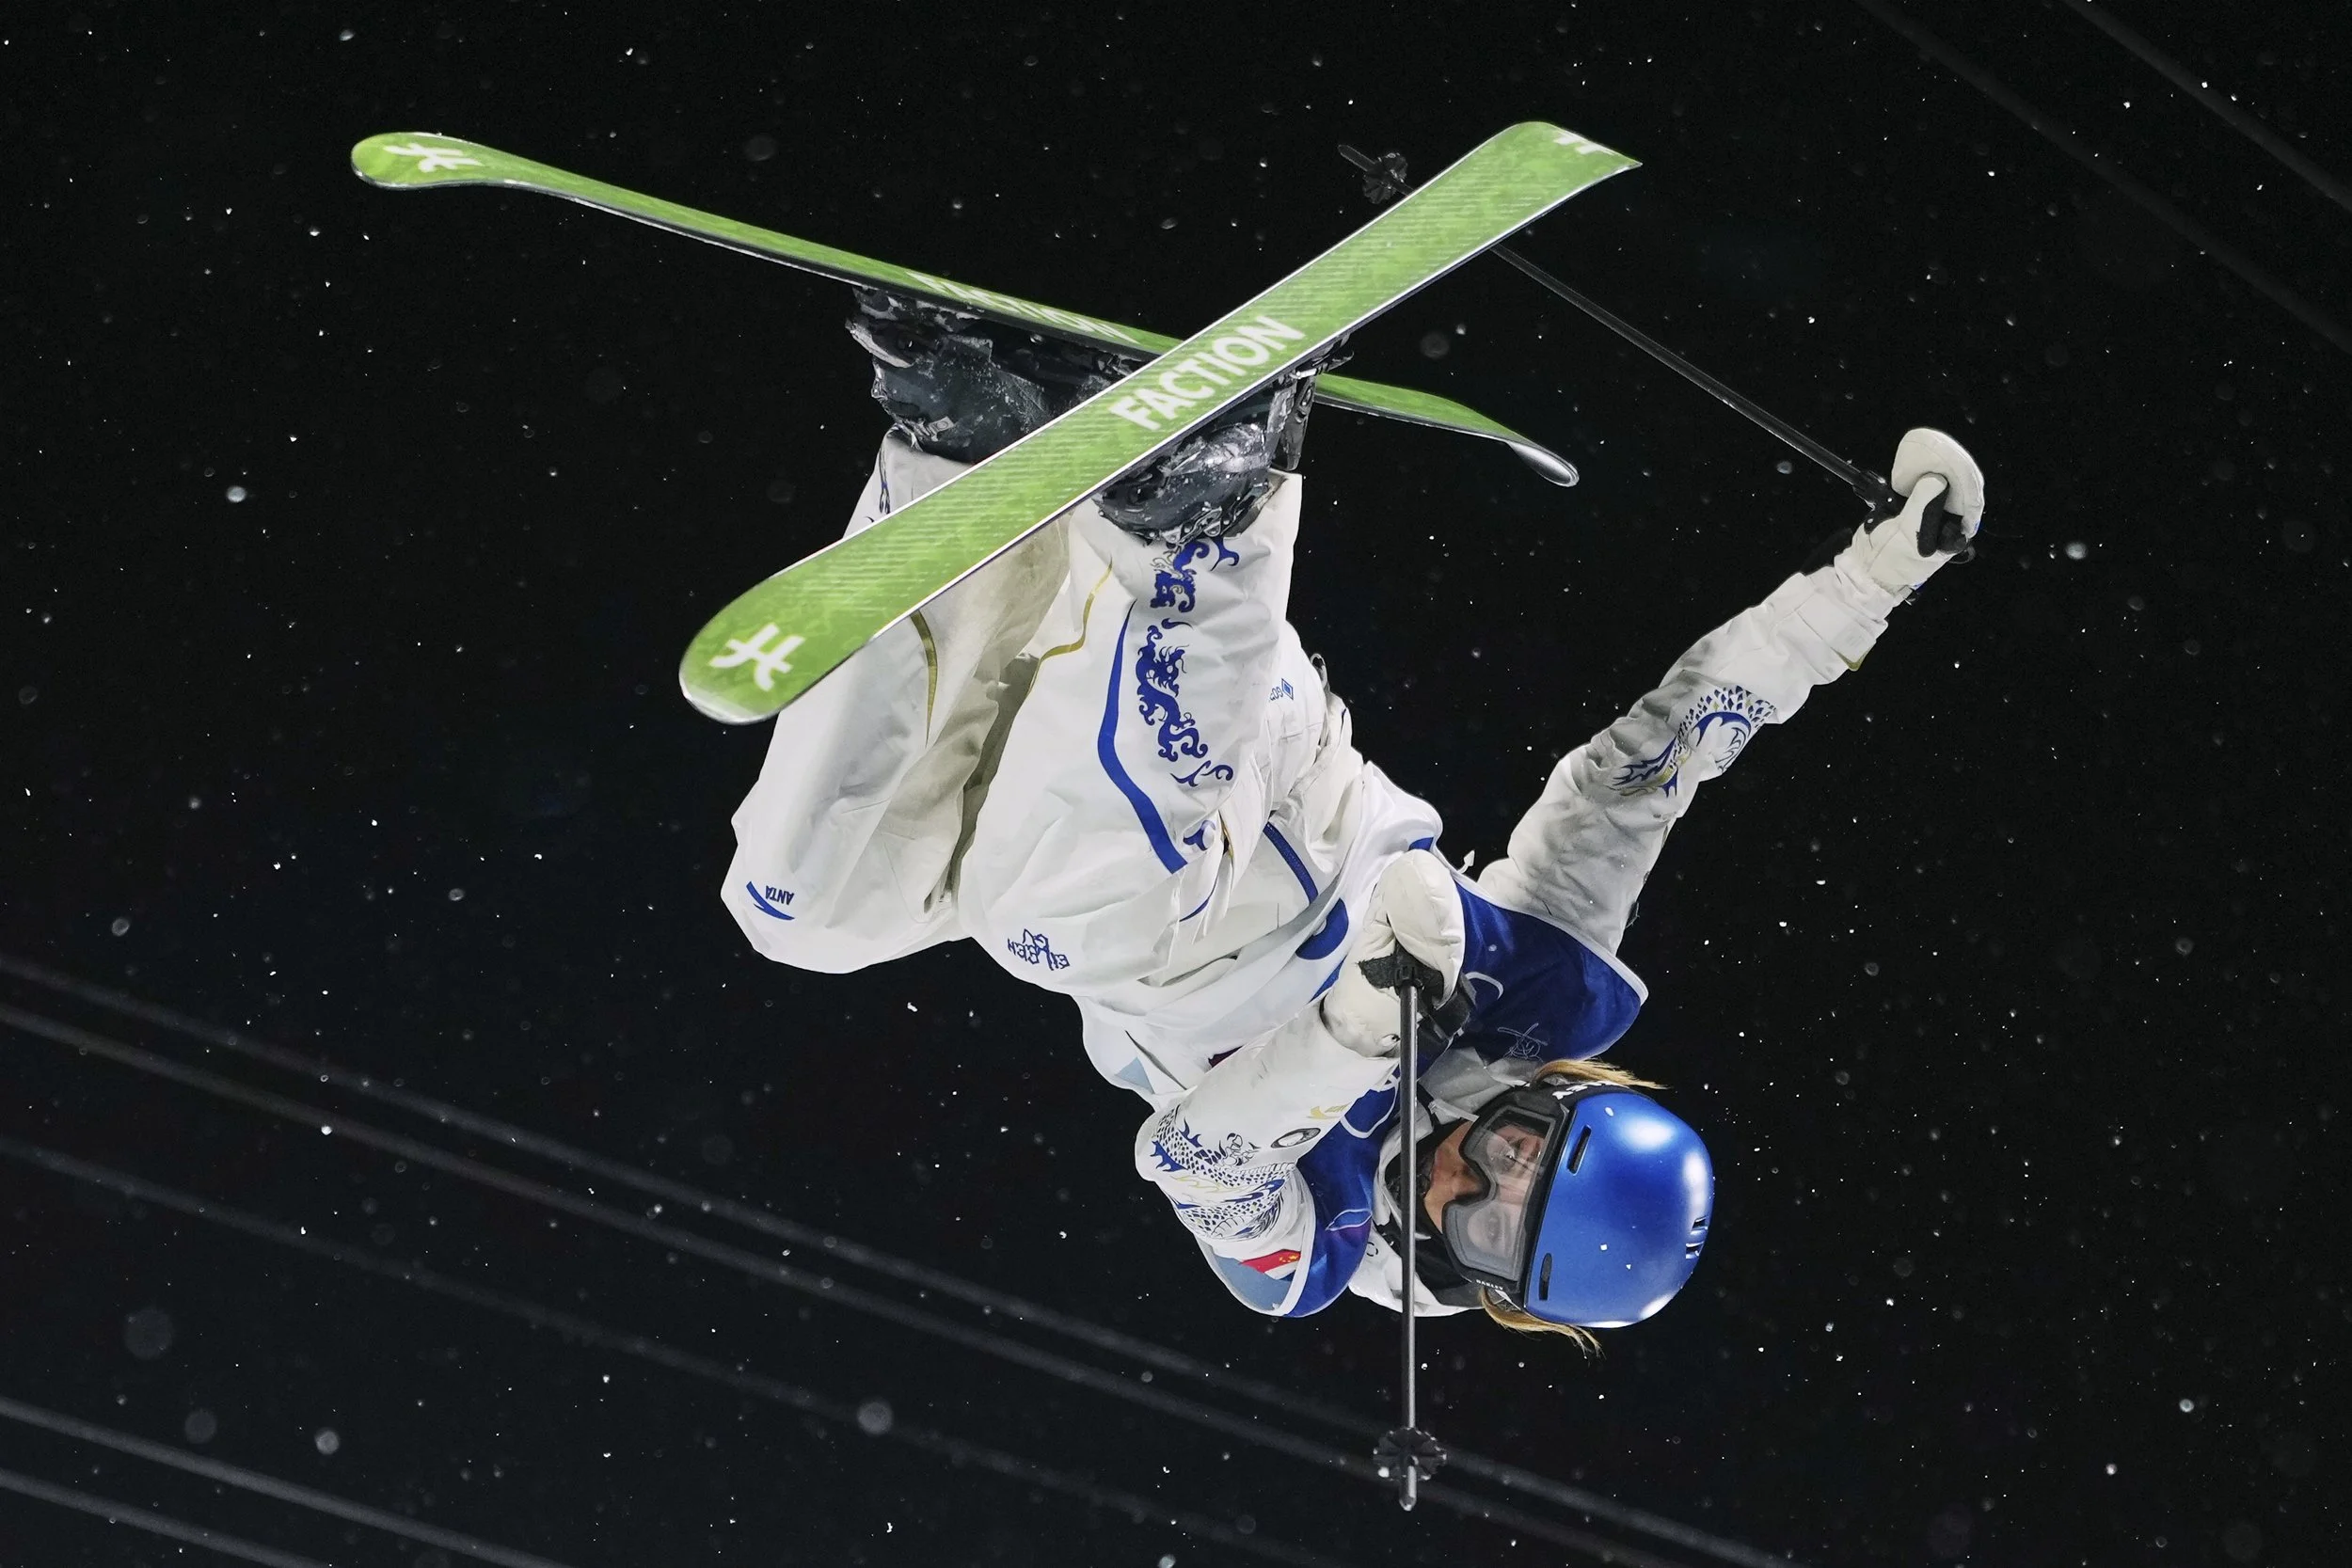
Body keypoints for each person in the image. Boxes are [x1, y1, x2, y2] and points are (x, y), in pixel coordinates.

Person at [723, 294, 1986, 1341]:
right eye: (1518, 1148)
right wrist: (1865, 587)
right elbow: (1657, 758)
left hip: (1103, 901)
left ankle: (957, 448)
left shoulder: (1322, 1253)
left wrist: (1344, 1037)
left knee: (800, 911)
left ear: (1495, 1291)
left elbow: (1193, 1160)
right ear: (1560, 1098)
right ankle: (1209, 512)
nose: (1464, 1178)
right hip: (1250, 770)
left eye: (1490, 1226)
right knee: (1067, 915)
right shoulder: (1541, 985)